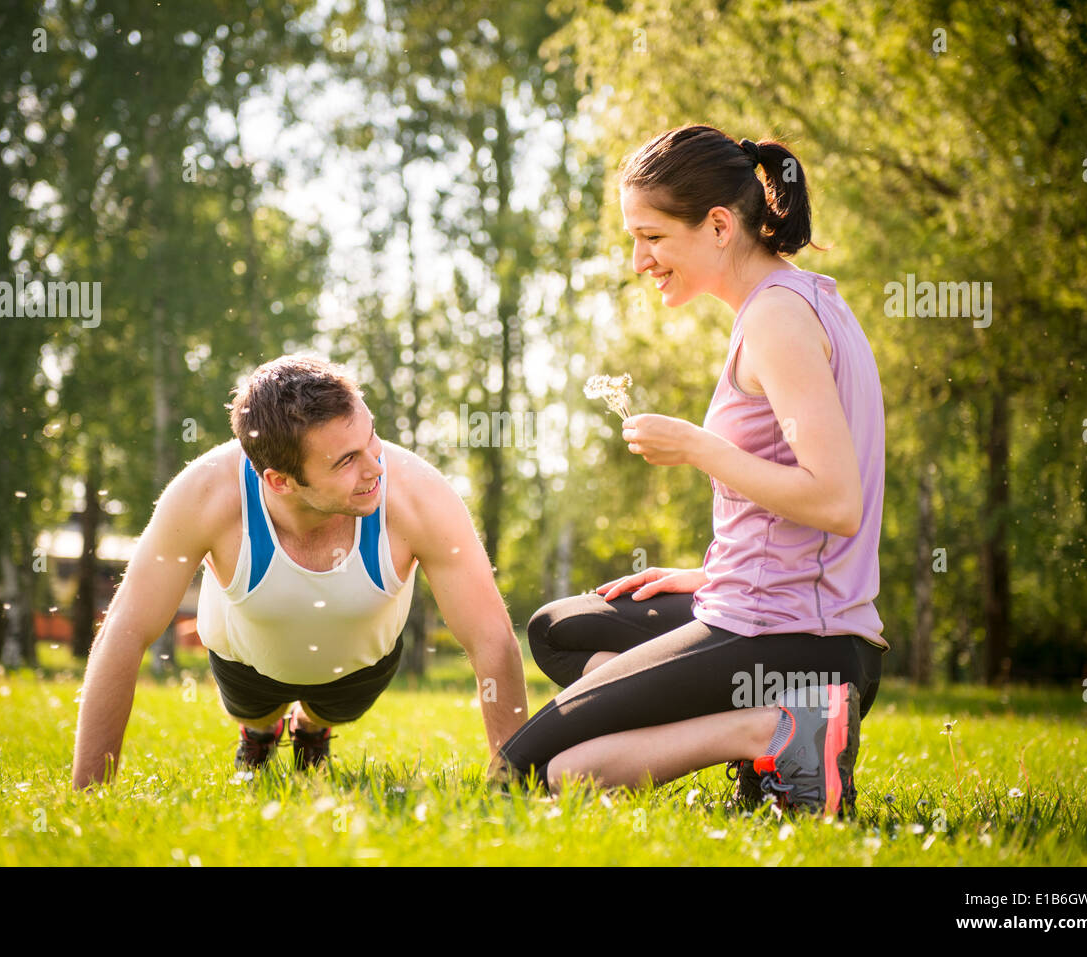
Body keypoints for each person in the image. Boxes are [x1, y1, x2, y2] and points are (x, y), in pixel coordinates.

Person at [497, 125, 888, 817]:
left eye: (652, 237)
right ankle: (776, 761)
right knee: (562, 628)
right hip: (777, 613)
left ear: (717, 225)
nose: (639, 259)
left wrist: (698, 446)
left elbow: (836, 500)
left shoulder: (777, 320)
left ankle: (775, 729)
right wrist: (715, 572)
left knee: (525, 774)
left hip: (795, 642)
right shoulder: (803, 300)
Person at [72, 355, 528, 789]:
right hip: (246, 665)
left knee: (331, 711)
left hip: (358, 668)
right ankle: (259, 734)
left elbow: (489, 634)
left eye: (371, 438)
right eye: (346, 460)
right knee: (256, 713)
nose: (375, 467)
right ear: (280, 481)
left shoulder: (419, 494)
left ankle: (312, 729)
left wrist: (510, 780)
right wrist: (89, 794)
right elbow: (126, 629)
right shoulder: (205, 494)